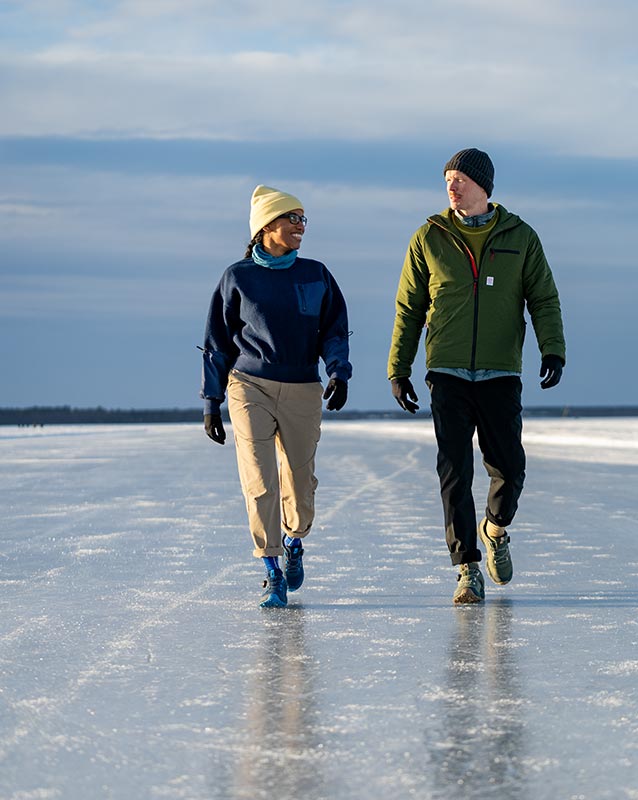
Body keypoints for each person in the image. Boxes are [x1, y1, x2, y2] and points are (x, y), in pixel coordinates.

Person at [388, 148, 566, 604]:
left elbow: (543, 298)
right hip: (445, 369)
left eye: (460, 178)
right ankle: (467, 568)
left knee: (509, 465)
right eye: (447, 178)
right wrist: (399, 369)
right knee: (454, 469)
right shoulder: (429, 236)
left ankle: (496, 528)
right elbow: (409, 307)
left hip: (500, 369)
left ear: (483, 186)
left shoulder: (520, 236)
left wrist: (553, 349)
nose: (452, 186)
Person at [201, 185, 352, 608]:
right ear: (266, 225)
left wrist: (338, 370)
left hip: (303, 386)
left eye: (304, 219)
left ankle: (293, 540)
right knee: (259, 479)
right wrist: (212, 402)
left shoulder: (315, 274)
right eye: (293, 218)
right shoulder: (238, 277)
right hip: (249, 384)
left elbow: (334, 331)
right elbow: (218, 342)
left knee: (299, 483)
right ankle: (270, 570)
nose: (301, 226)